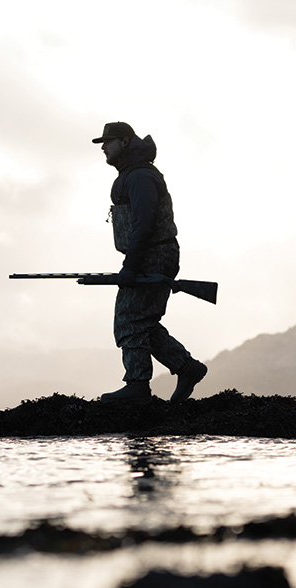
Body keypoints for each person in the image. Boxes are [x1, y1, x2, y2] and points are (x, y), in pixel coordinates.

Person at [92, 121, 207, 402]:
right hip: (152, 254)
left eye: (108, 141)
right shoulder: (133, 174)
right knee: (142, 321)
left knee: (129, 320)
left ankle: (137, 385)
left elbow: (144, 223)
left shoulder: (139, 176)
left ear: (126, 142)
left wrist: (131, 267)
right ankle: (186, 367)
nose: (103, 147)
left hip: (150, 256)